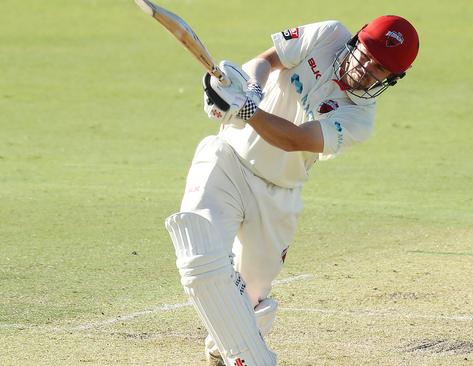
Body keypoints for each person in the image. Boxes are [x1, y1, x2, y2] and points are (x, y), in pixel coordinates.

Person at [164, 16, 419, 366]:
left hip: (278, 196)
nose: (366, 70)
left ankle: (221, 352)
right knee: (200, 256)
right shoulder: (328, 34)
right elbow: (266, 61)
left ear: (391, 79)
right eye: (367, 56)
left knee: (248, 302)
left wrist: (247, 109)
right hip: (228, 160)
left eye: (380, 70)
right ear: (357, 40)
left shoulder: (360, 119)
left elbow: (293, 140)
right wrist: (249, 89)